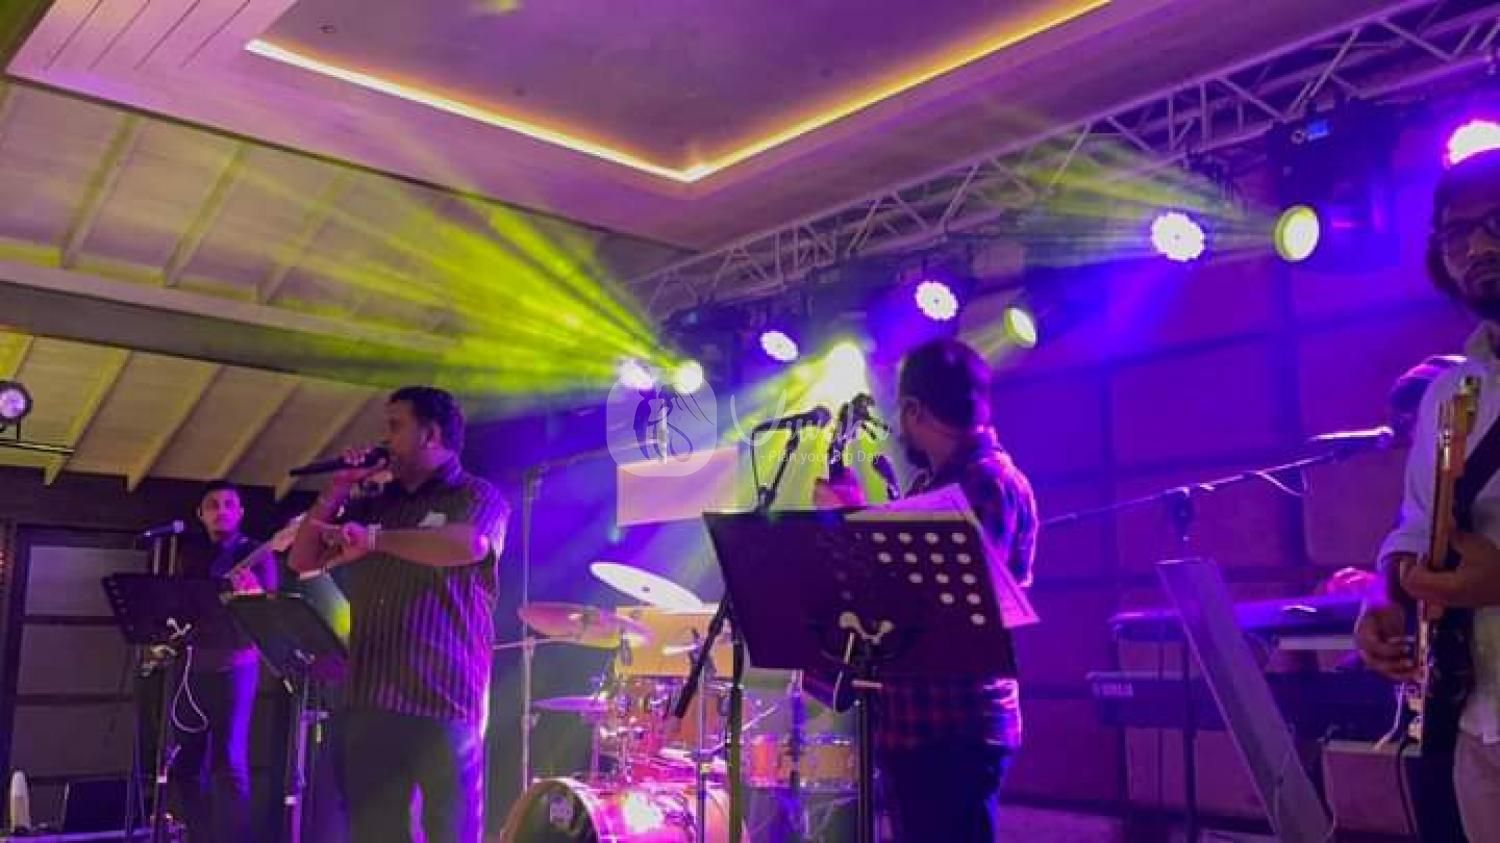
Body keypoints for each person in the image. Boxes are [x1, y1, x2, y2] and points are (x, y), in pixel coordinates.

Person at [814, 338, 1038, 842]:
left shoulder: (986, 481)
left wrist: (853, 522)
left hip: (955, 727)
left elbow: (938, 601)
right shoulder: (936, 486)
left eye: (901, 411)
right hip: (925, 726)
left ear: (915, 410)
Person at [287, 386, 509, 843]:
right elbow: (302, 559)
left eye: (394, 426)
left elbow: (469, 545)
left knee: (450, 833)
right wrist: (337, 488)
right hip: (372, 698)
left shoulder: (476, 494)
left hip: (443, 700)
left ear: (430, 434)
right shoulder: (377, 504)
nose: (384, 439)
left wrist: (374, 540)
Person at [1355, 146, 1500, 841]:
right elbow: (1419, 521)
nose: (1478, 247)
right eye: (1457, 233)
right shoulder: (1452, 390)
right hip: (1476, 715)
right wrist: (1385, 598)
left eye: (1497, 222)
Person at [173, 480, 277, 842]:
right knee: (186, 762)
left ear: (241, 512)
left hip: (236, 666)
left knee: (229, 761)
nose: (222, 511)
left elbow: (270, 613)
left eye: (229, 504)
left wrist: (254, 594)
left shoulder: (257, 554)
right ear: (200, 514)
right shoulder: (191, 555)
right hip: (192, 667)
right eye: (213, 505)